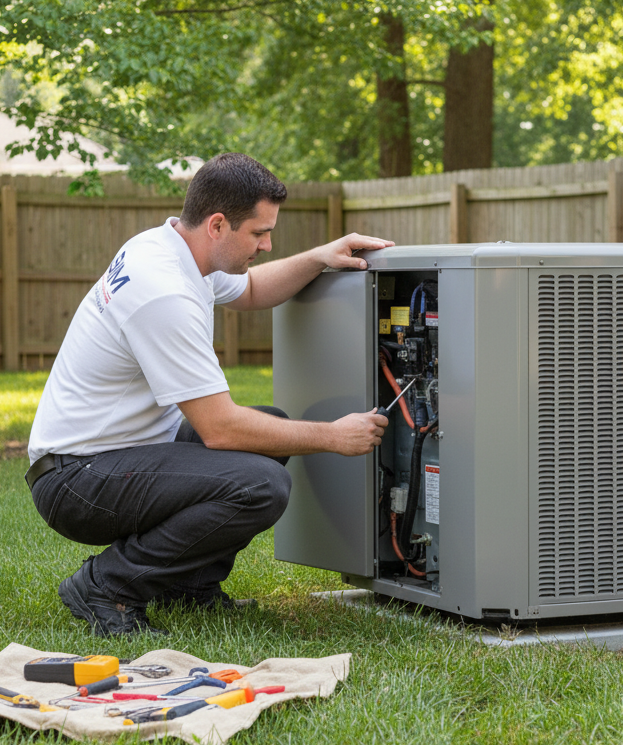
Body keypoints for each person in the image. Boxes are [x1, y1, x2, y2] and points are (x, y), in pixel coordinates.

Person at [26, 152, 392, 635]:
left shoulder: (171, 248)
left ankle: (189, 585)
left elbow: (253, 289)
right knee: (261, 482)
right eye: (259, 233)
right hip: (78, 479)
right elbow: (219, 430)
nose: (265, 246)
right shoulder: (164, 292)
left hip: (108, 455)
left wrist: (321, 256)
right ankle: (106, 586)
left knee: (271, 426)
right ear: (218, 224)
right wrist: (332, 436)